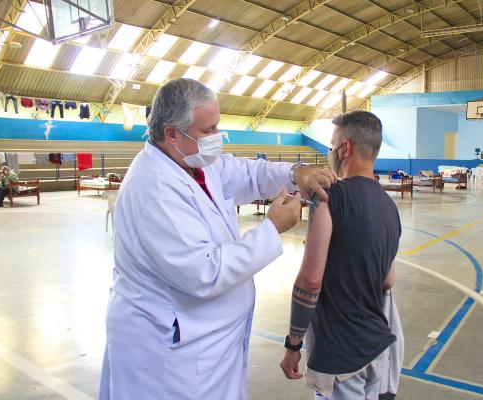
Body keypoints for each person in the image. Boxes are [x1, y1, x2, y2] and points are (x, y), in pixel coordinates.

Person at [99, 78, 337, 400]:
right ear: (172, 134)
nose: (217, 138)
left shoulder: (195, 162)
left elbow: (248, 173)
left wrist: (295, 174)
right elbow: (204, 272)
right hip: (172, 352)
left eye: (217, 127)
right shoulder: (153, 189)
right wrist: (270, 229)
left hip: (207, 340)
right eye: (207, 130)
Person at [279, 111, 402, 399]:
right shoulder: (388, 206)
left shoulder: (329, 197)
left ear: (345, 148)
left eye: (331, 144)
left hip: (340, 354)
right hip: (376, 347)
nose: (329, 151)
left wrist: (293, 343)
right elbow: (388, 279)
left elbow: (310, 281)